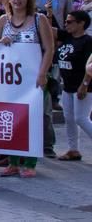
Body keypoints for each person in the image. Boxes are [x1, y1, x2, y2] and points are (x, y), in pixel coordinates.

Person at [0, 0, 55, 178]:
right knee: (9, 120)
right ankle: (12, 161)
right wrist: (1, 43)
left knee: (32, 119)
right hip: (9, 80)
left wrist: (42, 73)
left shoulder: (38, 19)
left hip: (33, 78)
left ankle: (29, 163)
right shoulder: (3, 20)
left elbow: (49, 48)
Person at [55, 11, 92, 161]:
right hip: (68, 85)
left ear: (81, 23)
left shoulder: (88, 41)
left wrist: (84, 85)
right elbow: (51, 29)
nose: (66, 24)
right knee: (69, 118)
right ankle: (73, 149)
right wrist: (50, 13)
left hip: (84, 86)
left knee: (81, 118)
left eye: (70, 22)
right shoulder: (67, 37)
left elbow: (90, 65)